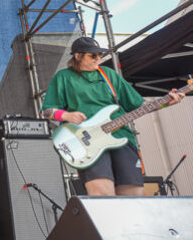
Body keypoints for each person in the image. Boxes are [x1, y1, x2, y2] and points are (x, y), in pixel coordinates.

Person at [42, 36, 184, 196]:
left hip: (121, 137)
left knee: (134, 195)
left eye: (100, 54)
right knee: (102, 193)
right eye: (92, 55)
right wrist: (66, 115)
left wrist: (165, 102)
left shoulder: (109, 74)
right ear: (77, 56)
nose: (98, 58)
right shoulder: (64, 77)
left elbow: (139, 105)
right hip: (87, 142)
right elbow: (46, 111)